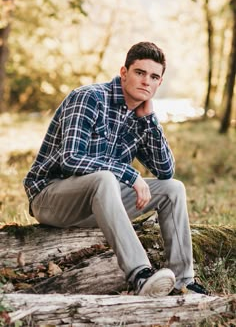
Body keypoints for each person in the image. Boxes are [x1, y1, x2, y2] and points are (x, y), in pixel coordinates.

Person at [23, 41, 208, 296]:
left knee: (173, 189)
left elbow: (166, 171)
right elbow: (70, 159)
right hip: (51, 199)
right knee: (105, 178)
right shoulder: (89, 98)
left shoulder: (140, 118)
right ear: (124, 73)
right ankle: (141, 275)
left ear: (159, 83)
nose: (146, 82)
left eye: (154, 77)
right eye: (140, 73)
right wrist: (130, 174)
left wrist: (150, 121)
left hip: (100, 204)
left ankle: (183, 281)